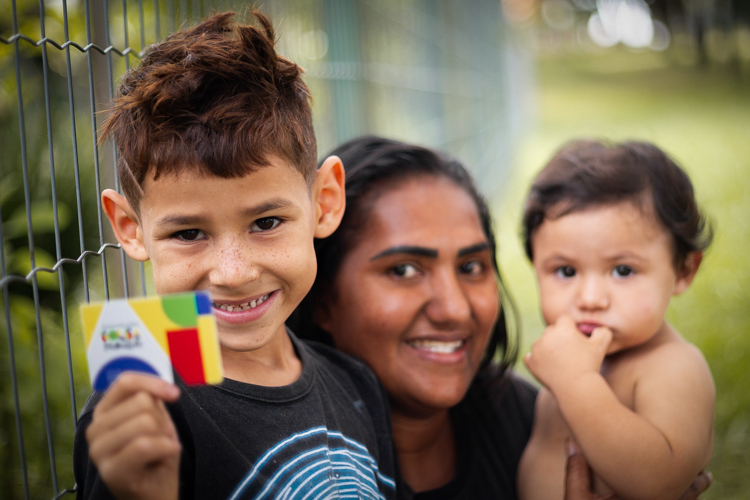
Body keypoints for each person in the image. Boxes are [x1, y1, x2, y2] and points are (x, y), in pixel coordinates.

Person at [73, 12, 398, 500]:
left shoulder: (356, 385)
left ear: (324, 202)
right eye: (188, 233)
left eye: (266, 223)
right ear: (129, 228)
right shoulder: (140, 412)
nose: (233, 272)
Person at [292, 135, 713, 500]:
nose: (455, 308)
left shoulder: (518, 412)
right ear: (322, 294)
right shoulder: (288, 464)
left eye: (472, 266)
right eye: (404, 270)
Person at [517, 140, 715, 500]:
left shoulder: (673, 367)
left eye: (623, 270)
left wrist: (576, 383)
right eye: (565, 271)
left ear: (684, 270)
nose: (590, 299)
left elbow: (662, 482)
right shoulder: (568, 362)